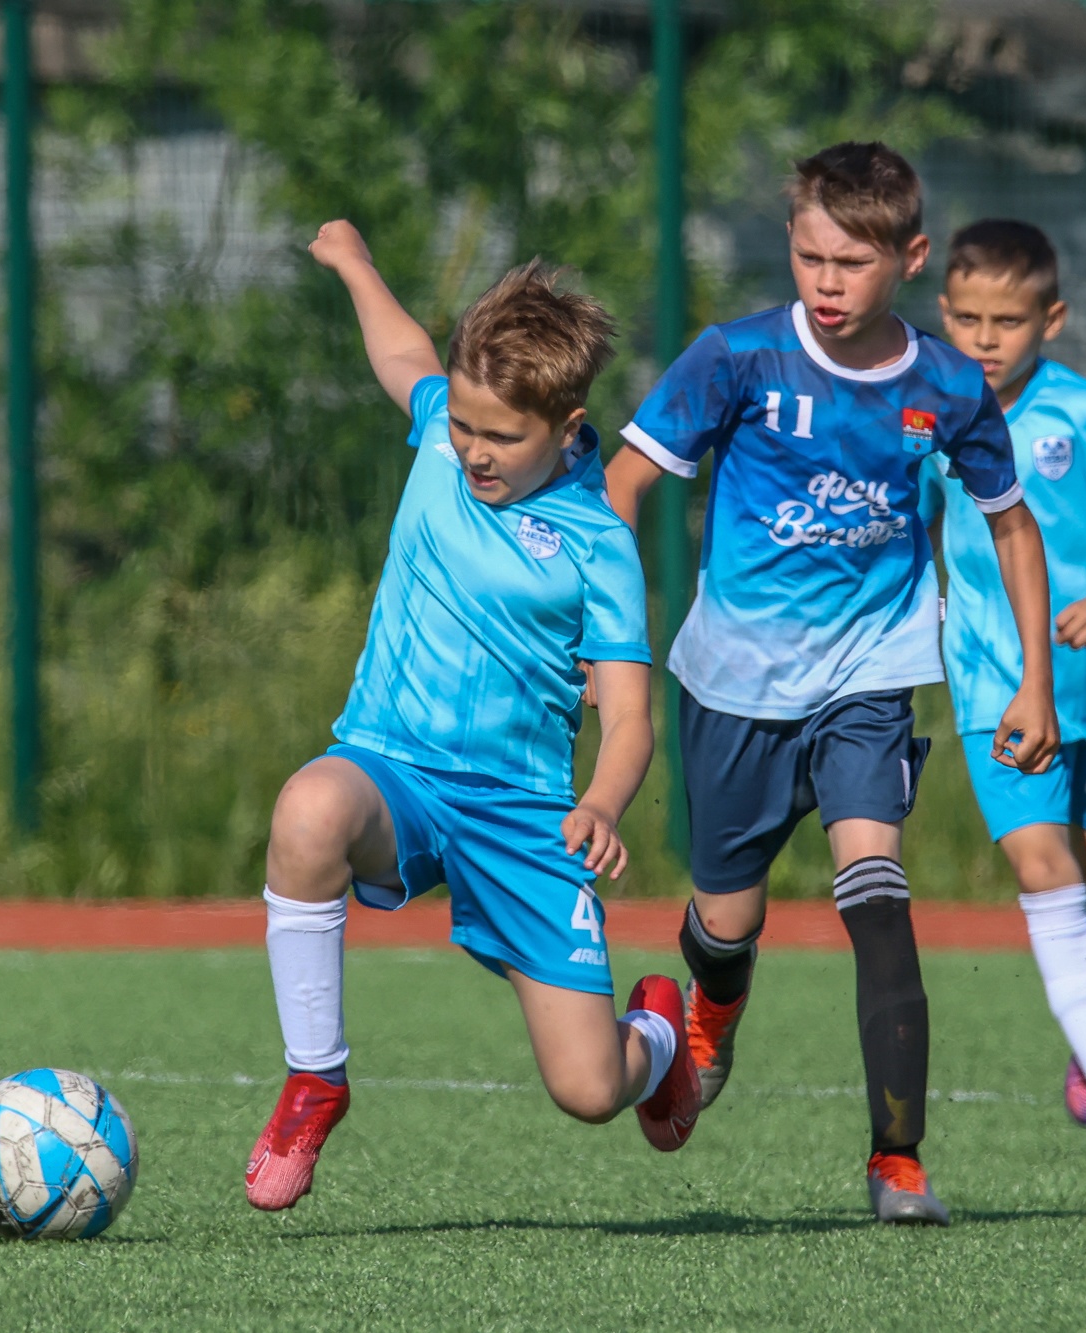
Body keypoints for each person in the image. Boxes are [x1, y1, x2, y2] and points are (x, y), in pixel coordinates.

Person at [604, 142, 1059, 1225]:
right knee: (724, 920)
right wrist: (604, 646)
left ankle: (895, 1160)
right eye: (808, 255)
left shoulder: (946, 383)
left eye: (849, 262)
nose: (824, 279)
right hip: (733, 682)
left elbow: (1011, 524)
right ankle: (712, 1004)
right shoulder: (737, 358)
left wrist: (1033, 682)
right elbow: (620, 487)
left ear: (906, 258)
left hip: (871, 674)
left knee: (876, 895)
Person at [243, 222, 700, 1213]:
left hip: (524, 809)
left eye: (500, 437)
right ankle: (315, 1076)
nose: (472, 452)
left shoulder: (597, 542)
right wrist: (357, 264)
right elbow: (403, 351)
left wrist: (604, 804)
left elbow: (628, 715)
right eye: (461, 425)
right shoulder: (439, 435)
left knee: (587, 1090)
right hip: (393, 766)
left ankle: (658, 1031)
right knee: (309, 810)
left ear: (567, 424)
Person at [919, 219, 1086, 1165]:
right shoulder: (928, 416)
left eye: (1009, 320)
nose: (987, 339)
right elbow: (909, 539)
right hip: (995, 685)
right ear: (943, 314)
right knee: (1044, 863)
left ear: (1053, 319)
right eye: (969, 319)